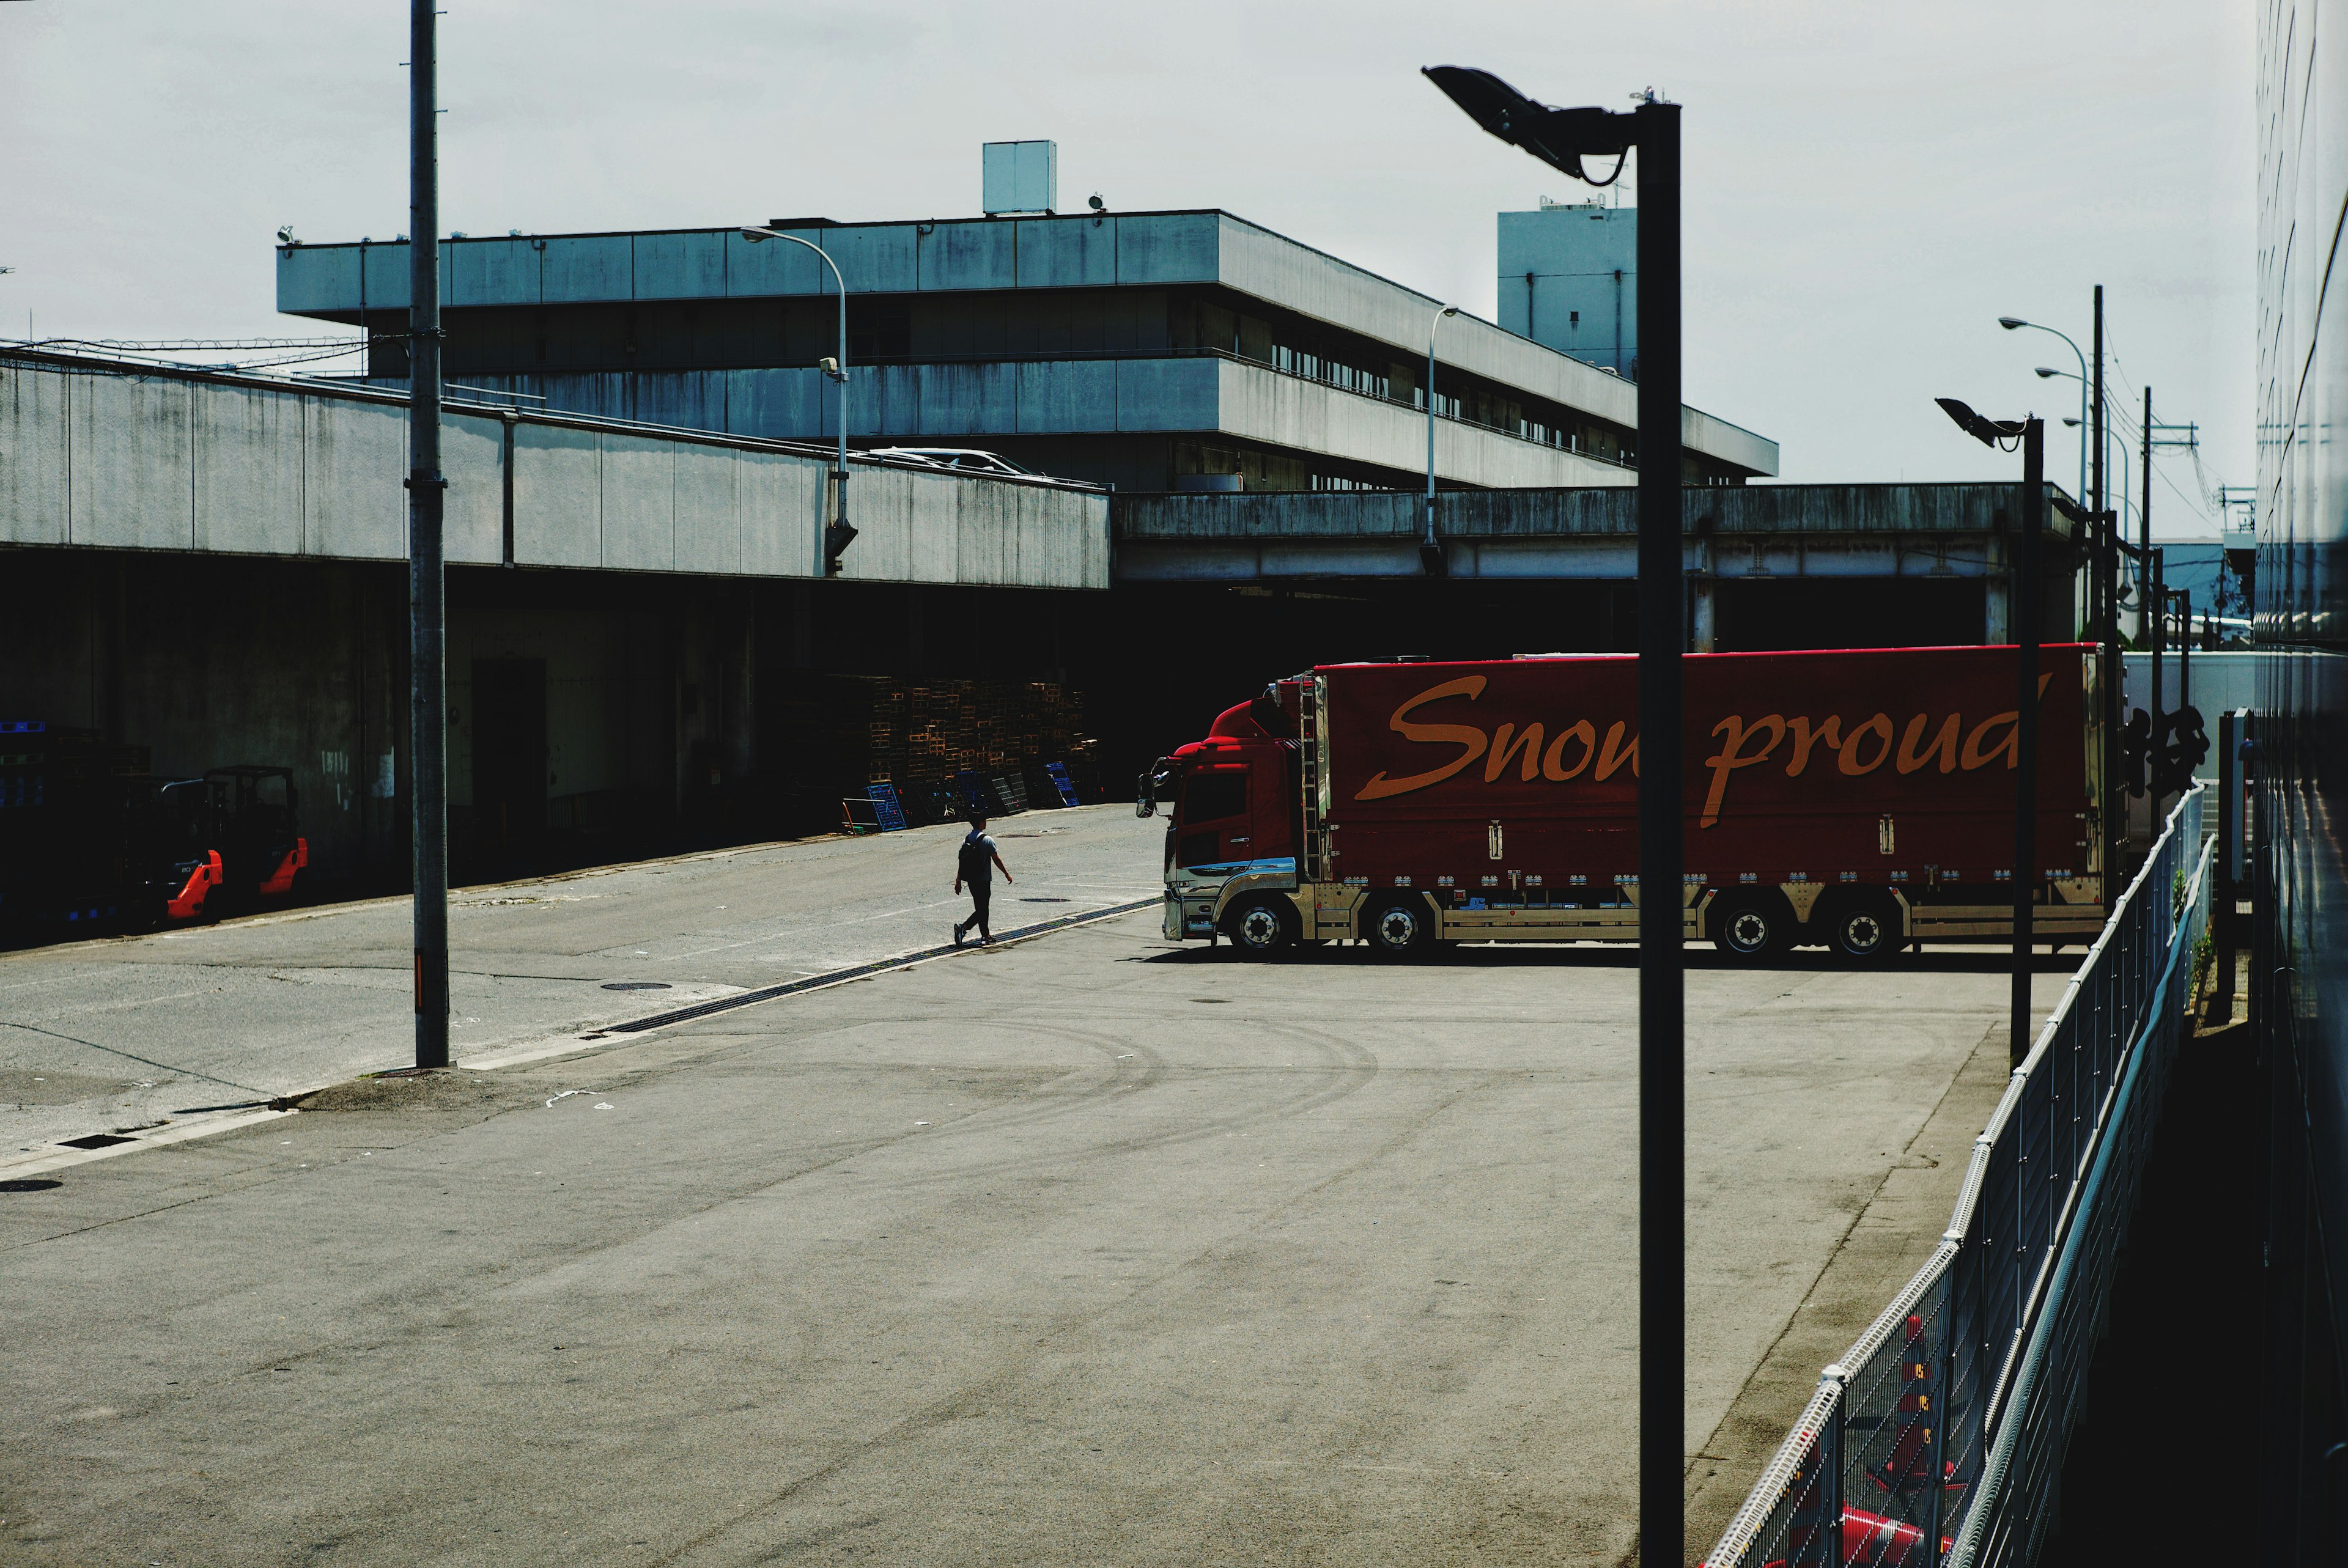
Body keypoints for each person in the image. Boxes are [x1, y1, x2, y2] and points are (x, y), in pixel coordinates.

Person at [953, 814, 1012, 946]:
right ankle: (967, 929)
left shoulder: (966, 840)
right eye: (984, 821)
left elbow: (962, 862)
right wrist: (1006, 873)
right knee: (983, 909)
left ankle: (984, 935)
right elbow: (996, 859)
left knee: (981, 907)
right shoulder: (987, 840)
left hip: (971, 880)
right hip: (984, 879)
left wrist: (958, 881)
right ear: (980, 823)